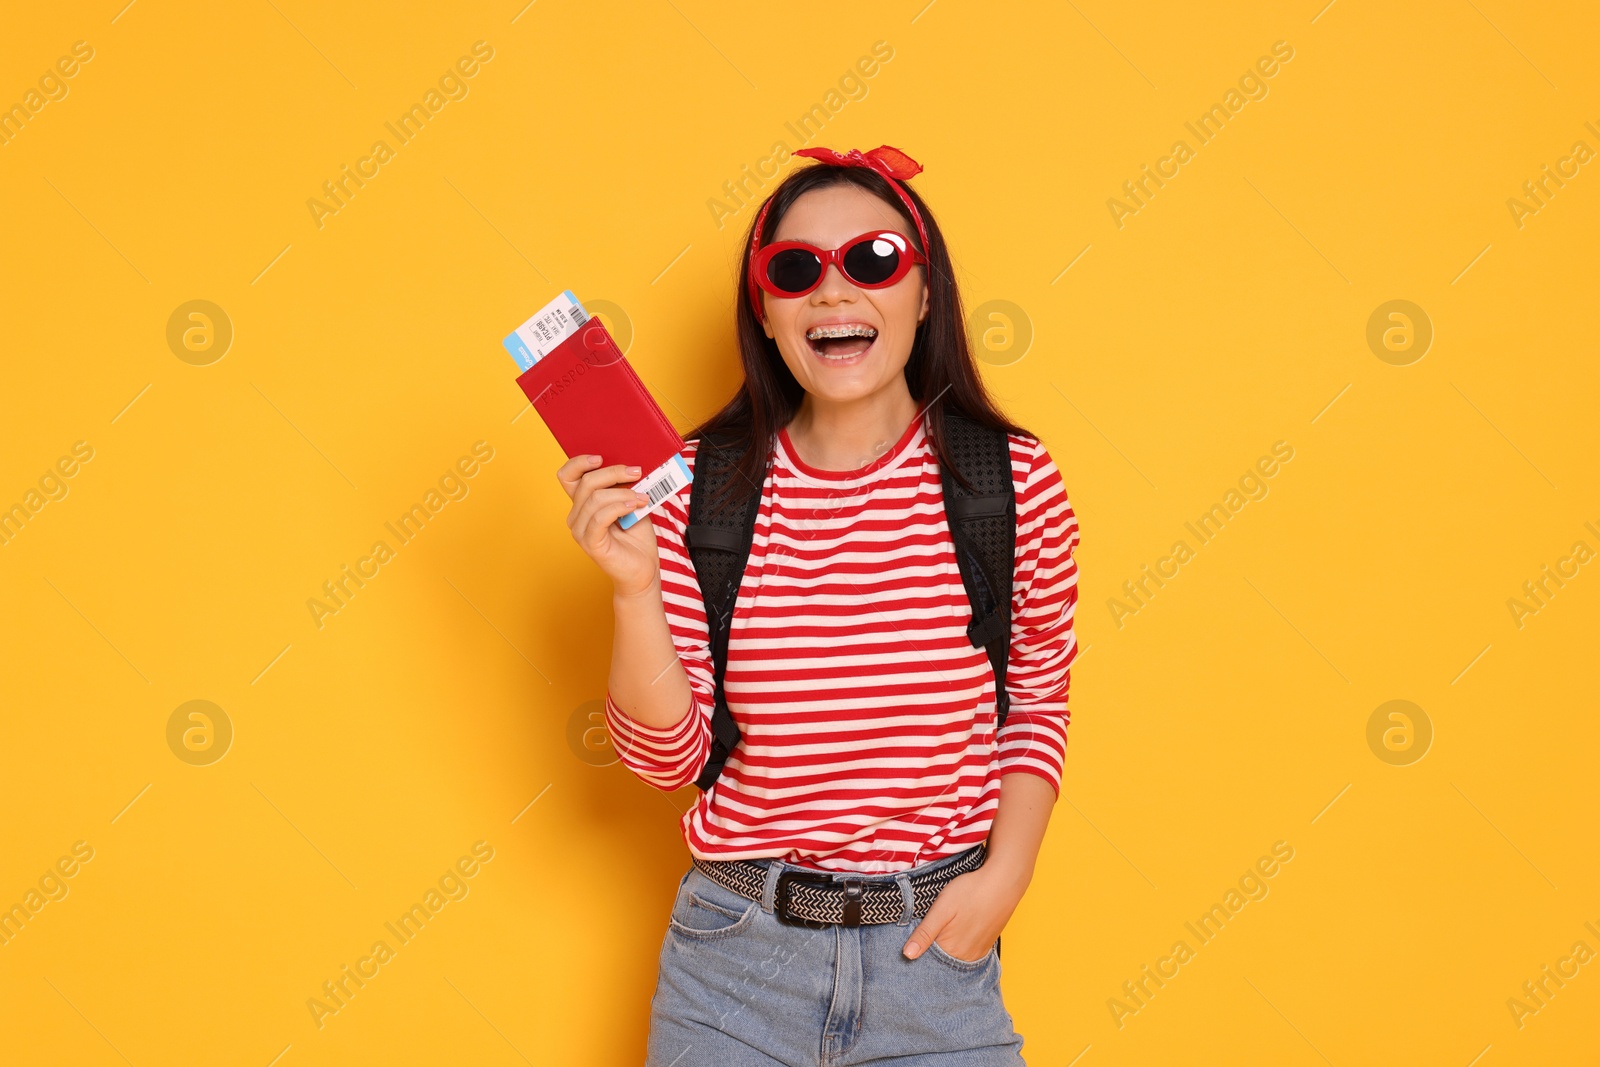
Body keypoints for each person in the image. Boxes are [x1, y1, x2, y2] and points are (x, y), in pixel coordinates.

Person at [556, 145, 1079, 1065]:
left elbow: (1036, 694)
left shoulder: (1010, 482)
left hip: (935, 964)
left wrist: (1009, 874)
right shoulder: (697, 488)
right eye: (796, 271)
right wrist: (635, 588)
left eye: (872, 261)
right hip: (732, 965)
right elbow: (664, 760)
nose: (834, 294)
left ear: (925, 292)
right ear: (765, 310)